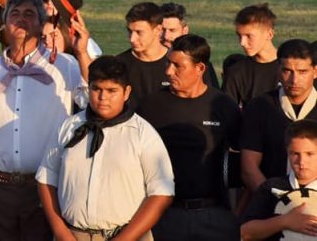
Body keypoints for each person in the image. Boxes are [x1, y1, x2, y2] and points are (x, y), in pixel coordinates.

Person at [0, 0, 87, 241]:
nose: (21, 20)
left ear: (41, 23)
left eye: (29, 14)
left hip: (44, 188)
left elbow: (91, 101)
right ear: (5, 23)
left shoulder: (65, 67)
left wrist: (82, 53)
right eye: (14, 14)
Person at [37, 56, 174, 241]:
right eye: (96, 89)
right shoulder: (69, 127)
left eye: (112, 91)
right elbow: (46, 178)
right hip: (72, 235)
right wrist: (61, 233)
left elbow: (161, 193)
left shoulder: (143, 135)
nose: (103, 98)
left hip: (127, 235)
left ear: (126, 92)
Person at [138, 34, 241, 241]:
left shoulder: (222, 106)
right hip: (163, 215)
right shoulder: (151, 105)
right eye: (168, 63)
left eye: (178, 66)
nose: (169, 71)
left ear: (200, 68)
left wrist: (236, 215)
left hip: (213, 215)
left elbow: (242, 160)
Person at [240, 39, 317, 193]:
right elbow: (249, 167)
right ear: (278, 70)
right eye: (287, 71)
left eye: (302, 72)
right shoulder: (259, 107)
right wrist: (273, 199)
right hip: (272, 198)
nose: (294, 80)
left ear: (315, 72)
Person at [240, 119, 317, 241]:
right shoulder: (271, 188)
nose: (301, 162)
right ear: (287, 152)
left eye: (309, 154)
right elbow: (245, 232)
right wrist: (284, 221)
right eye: (295, 154)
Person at [222, 3, 280, 108]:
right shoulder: (236, 73)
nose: (242, 42)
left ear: (269, 34)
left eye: (249, 36)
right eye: (239, 36)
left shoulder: (291, 68)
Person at [116, 2, 170, 107]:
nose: (132, 39)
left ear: (158, 30)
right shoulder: (119, 65)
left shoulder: (178, 63)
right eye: (130, 32)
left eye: (139, 32)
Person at [160, 2, 220, 88]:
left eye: (172, 30)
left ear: (184, 30)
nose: (166, 36)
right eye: (162, 30)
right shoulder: (145, 61)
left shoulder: (197, 62)